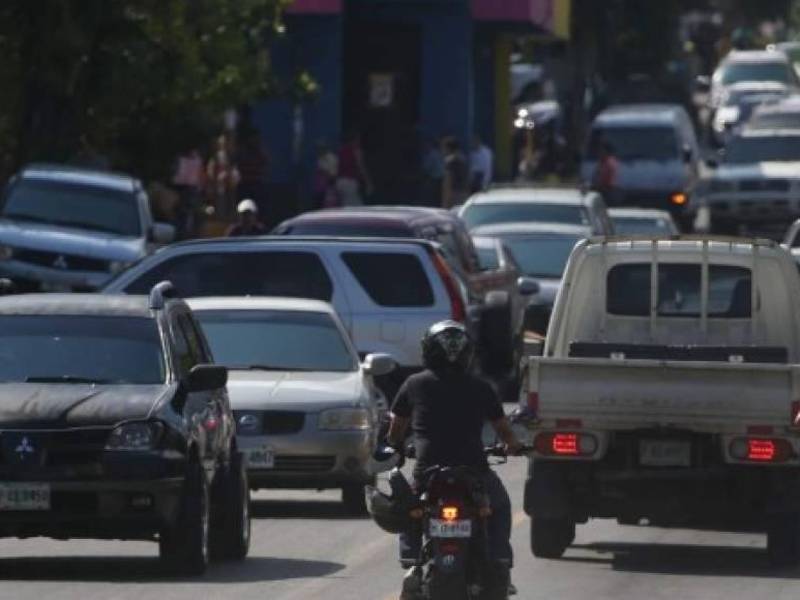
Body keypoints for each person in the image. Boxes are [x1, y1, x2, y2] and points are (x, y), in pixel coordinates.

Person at [386, 320, 523, 598]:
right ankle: (499, 560)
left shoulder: (414, 384)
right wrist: (513, 446)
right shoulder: (481, 387)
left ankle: (412, 562)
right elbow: (504, 430)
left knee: (410, 511)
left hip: (428, 473)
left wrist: (396, 447)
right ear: (467, 354)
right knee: (500, 506)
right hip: (473, 472)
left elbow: (396, 430)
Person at [171, 147, 206, 239]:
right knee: (182, 213)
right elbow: (176, 176)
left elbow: (200, 176)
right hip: (183, 189)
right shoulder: (181, 159)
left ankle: (192, 235)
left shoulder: (197, 160)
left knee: (193, 214)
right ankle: (181, 234)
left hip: (192, 189)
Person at [337, 130, 373, 207]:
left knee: (345, 205)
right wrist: (368, 183)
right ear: (354, 140)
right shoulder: (356, 150)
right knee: (356, 208)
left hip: (340, 182)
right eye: (358, 139)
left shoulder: (341, 150)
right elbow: (361, 167)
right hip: (349, 182)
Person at [441, 137, 470, 209]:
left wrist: (445, 202)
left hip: (453, 195)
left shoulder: (449, 161)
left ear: (448, 148)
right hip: (464, 193)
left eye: (443, 148)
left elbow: (448, 182)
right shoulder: (463, 160)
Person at [592, 141, 620, 205]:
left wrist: (596, 185)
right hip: (602, 189)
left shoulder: (609, 162)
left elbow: (603, 177)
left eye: (601, 150)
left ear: (606, 151)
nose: (599, 152)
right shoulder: (602, 161)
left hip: (606, 191)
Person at [313, 142, 340, 209]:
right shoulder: (318, 159)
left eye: (321, 148)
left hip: (330, 186)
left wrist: (325, 173)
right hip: (319, 187)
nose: (319, 150)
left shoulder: (331, 158)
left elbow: (334, 173)